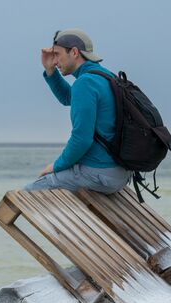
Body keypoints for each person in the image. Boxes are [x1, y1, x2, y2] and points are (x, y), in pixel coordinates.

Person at [23, 28, 131, 194]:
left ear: (73, 52)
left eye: (57, 54)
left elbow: (82, 139)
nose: (55, 60)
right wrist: (50, 70)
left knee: (28, 193)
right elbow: (69, 97)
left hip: (99, 173)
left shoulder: (85, 83)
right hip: (120, 173)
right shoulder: (105, 76)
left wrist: (56, 165)